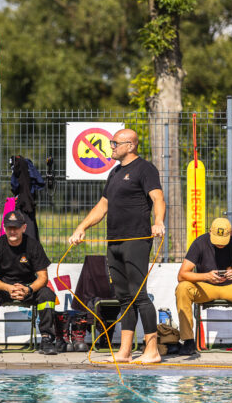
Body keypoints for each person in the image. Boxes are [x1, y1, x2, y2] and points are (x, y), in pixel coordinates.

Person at [69, 128, 165, 364]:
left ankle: (152, 351)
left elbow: (158, 198)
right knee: (124, 298)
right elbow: (103, 206)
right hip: (114, 242)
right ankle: (124, 351)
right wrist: (81, 227)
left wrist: (159, 222)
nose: (110, 146)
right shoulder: (114, 173)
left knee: (139, 296)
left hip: (136, 241)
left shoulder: (145, 169)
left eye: (114, 143)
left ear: (130, 145)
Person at [175, 217, 232, 356]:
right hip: (205, 287)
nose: (220, 245)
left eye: (223, 240)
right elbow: (181, 275)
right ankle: (188, 341)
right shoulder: (199, 243)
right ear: (210, 232)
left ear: (231, 233)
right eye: (216, 239)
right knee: (182, 288)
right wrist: (205, 276)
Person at [0, 210, 55, 355]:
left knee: (47, 294)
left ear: (24, 228)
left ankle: (47, 340)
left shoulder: (33, 245)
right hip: (3, 289)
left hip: (28, 290)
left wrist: (28, 289)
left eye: (16, 227)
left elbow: (43, 277)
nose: (12, 231)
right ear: (4, 228)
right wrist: (9, 288)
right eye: (9, 227)